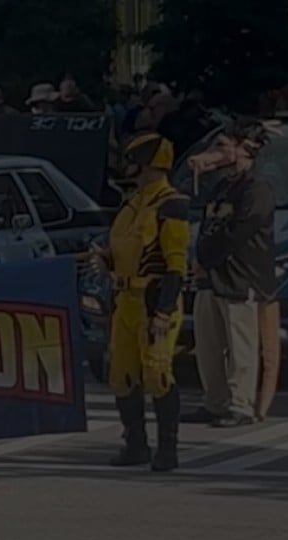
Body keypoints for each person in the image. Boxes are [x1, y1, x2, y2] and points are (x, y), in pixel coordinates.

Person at [90, 132, 190, 471]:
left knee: (157, 374)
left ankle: (168, 449)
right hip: (125, 300)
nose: (127, 167)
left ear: (147, 164)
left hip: (153, 300)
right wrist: (107, 260)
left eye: (133, 160)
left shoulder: (171, 204)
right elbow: (127, 251)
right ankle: (136, 445)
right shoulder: (132, 204)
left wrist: (163, 309)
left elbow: (175, 264)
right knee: (121, 375)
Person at [183, 119, 276, 427]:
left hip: (241, 275)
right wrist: (200, 259)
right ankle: (215, 401)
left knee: (241, 344)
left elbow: (238, 232)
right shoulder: (222, 186)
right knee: (208, 344)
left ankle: (241, 404)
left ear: (245, 149)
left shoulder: (257, 188)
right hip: (211, 275)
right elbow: (209, 226)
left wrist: (206, 257)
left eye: (223, 146)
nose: (216, 154)